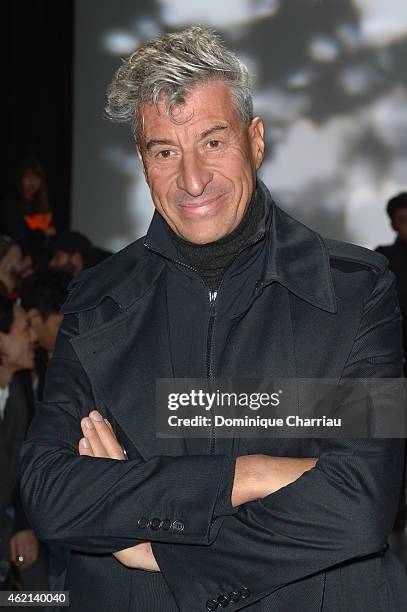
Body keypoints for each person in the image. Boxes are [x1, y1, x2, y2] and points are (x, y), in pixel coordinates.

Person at [20, 26, 407, 612]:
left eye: (213, 141)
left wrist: (160, 545)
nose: (192, 180)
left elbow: (361, 504)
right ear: (143, 162)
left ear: (255, 141)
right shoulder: (97, 301)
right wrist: (248, 474)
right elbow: (50, 493)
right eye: (165, 152)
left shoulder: (356, 292)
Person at [0, 296, 46, 591]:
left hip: (10, 522)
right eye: (24, 328)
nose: (33, 337)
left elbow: (25, 459)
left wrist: (22, 525)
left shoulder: (18, 389)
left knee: (40, 592)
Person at [1, 159, 54, 241]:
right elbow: (15, 233)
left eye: (36, 177)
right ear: (20, 179)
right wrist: (41, 233)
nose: (32, 182)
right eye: (27, 177)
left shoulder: (43, 203)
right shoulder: (11, 203)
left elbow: (53, 229)